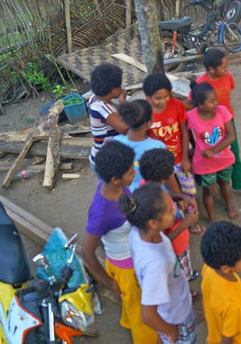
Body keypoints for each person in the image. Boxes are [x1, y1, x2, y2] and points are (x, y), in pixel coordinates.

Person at [81, 141, 158, 343]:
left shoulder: (114, 187)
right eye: (131, 172)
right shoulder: (101, 213)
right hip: (126, 268)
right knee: (143, 313)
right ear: (115, 179)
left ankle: (127, 321)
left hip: (129, 257)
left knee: (131, 303)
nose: (135, 173)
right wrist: (109, 282)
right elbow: (87, 251)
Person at [120, 183, 198, 344]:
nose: (175, 211)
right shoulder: (156, 265)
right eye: (170, 211)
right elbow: (148, 315)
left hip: (174, 305)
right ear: (153, 223)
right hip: (176, 318)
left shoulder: (139, 232)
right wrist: (171, 331)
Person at [195, 48, 241, 200]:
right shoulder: (200, 84)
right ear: (211, 69)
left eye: (227, 66)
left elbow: (228, 93)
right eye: (223, 67)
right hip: (208, 125)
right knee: (211, 154)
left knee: (234, 153)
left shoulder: (228, 77)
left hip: (227, 120)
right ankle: (216, 184)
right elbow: (195, 105)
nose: (227, 70)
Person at [139, 148, 200, 284]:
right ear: (165, 178)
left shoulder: (147, 185)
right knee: (180, 274)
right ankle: (187, 287)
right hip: (175, 246)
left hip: (178, 240)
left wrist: (180, 196)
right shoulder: (154, 205)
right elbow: (159, 240)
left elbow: (166, 195)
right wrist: (186, 223)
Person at [143, 73, 200, 217]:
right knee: (169, 194)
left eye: (166, 96)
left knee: (190, 191)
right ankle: (179, 215)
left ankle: (192, 216)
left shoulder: (177, 106)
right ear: (148, 97)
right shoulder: (144, 112)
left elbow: (184, 131)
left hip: (179, 157)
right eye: (158, 98)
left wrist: (186, 157)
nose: (163, 101)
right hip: (160, 163)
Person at [187, 82, 237, 221]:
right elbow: (187, 133)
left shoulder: (222, 111)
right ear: (200, 105)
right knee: (207, 190)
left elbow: (231, 136)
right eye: (211, 101)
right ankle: (211, 217)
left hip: (224, 158)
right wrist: (194, 146)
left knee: (225, 183)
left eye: (215, 99)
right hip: (204, 163)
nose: (216, 103)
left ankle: (229, 206)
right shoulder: (191, 116)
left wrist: (213, 151)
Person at [200, 221, 241, 344]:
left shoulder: (209, 269)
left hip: (215, 334)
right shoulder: (234, 304)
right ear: (225, 268)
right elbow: (228, 337)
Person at [114, 99, 166, 192]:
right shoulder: (158, 146)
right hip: (155, 193)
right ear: (149, 122)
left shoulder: (117, 142)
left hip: (131, 192)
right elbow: (167, 177)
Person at [88, 63, 128, 172]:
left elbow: (113, 113)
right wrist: (123, 103)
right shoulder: (102, 108)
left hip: (102, 157)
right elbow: (125, 129)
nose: (122, 88)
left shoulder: (95, 99)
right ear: (114, 90)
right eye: (120, 86)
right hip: (106, 162)